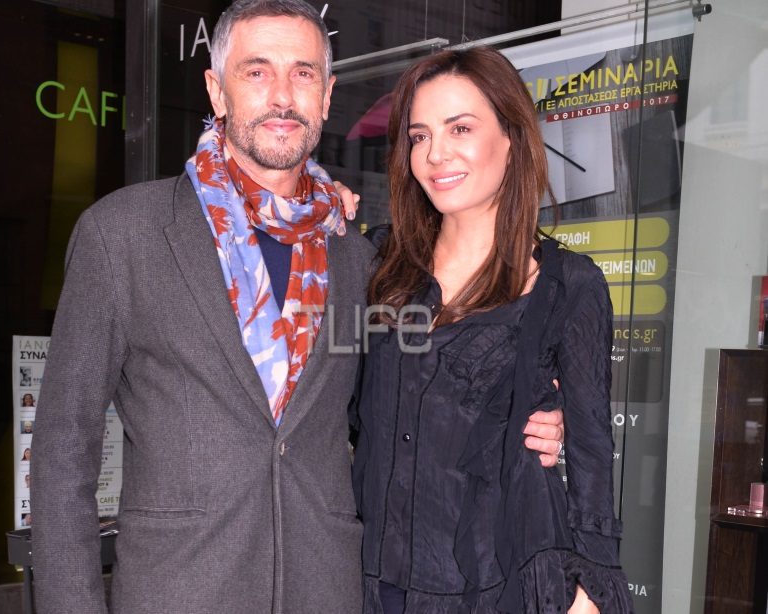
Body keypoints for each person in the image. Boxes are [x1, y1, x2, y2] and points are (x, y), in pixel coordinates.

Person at [30, 2, 564, 612]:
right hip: (178, 590)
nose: (282, 96)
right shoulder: (124, 235)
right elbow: (63, 446)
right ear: (217, 90)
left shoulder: (360, 259)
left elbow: (399, 410)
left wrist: (527, 417)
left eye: (303, 73)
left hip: (326, 589)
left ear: (327, 95)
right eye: (257, 72)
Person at [352, 47, 633, 613]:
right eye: (420, 136)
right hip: (371, 583)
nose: (436, 154)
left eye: (460, 128)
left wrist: (589, 591)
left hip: (501, 583)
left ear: (511, 137)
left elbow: (592, 456)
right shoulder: (374, 262)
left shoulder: (567, 285)